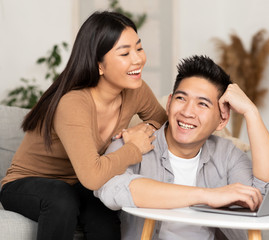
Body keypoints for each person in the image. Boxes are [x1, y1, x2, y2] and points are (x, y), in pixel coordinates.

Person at [0, 11, 167, 240]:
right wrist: (133, 148)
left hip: (76, 185)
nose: (138, 59)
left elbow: (162, 121)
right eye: (125, 53)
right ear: (99, 65)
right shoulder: (73, 103)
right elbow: (92, 176)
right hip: (25, 184)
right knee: (61, 199)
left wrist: (143, 128)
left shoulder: (135, 90)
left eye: (138, 48)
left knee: (105, 212)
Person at [95, 55, 269, 239]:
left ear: (222, 120)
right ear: (169, 104)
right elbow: (110, 188)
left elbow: (268, 196)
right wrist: (207, 196)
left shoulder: (227, 154)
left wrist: (251, 112)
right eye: (181, 98)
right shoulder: (132, 143)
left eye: (202, 104)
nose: (187, 112)